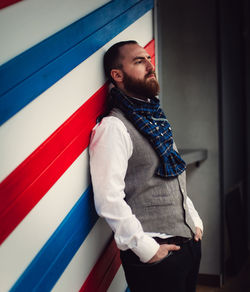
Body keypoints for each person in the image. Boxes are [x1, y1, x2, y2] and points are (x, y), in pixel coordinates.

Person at [89, 40, 203, 292]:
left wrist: (193, 219)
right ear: (117, 75)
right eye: (139, 61)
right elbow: (108, 198)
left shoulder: (156, 118)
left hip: (188, 244)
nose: (150, 66)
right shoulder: (113, 127)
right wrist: (147, 249)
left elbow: (174, 175)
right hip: (156, 256)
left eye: (149, 59)